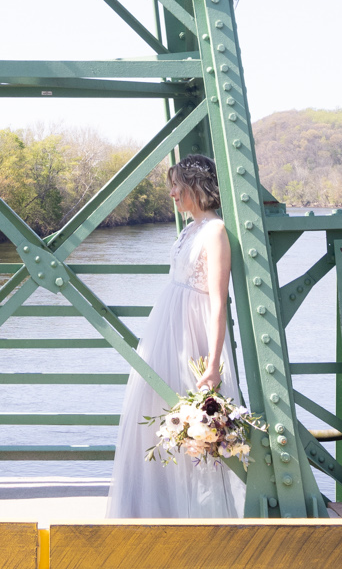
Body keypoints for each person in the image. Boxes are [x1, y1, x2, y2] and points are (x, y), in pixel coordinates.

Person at [104, 154, 246, 518]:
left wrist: (213, 364)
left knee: (190, 419)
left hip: (190, 333)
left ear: (195, 189)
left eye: (176, 187)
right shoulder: (190, 228)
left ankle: (197, 512)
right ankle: (153, 508)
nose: (171, 194)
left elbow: (218, 302)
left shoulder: (214, 231)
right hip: (165, 331)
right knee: (155, 413)